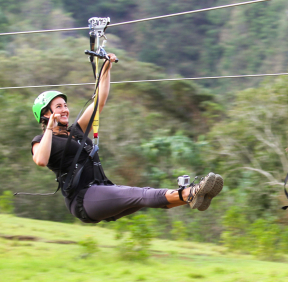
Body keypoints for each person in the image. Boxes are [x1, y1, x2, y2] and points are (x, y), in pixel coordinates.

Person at [31, 53, 223, 223]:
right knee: (140, 194)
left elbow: (100, 101)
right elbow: (41, 160)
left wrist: (106, 69)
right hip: (84, 199)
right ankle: (192, 192)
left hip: (101, 190)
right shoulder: (41, 140)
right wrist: (49, 127)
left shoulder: (76, 131)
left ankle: (194, 197)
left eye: (65, 105)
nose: (65, 109)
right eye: (58, 107)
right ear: (46, 114)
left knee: (143, 197)